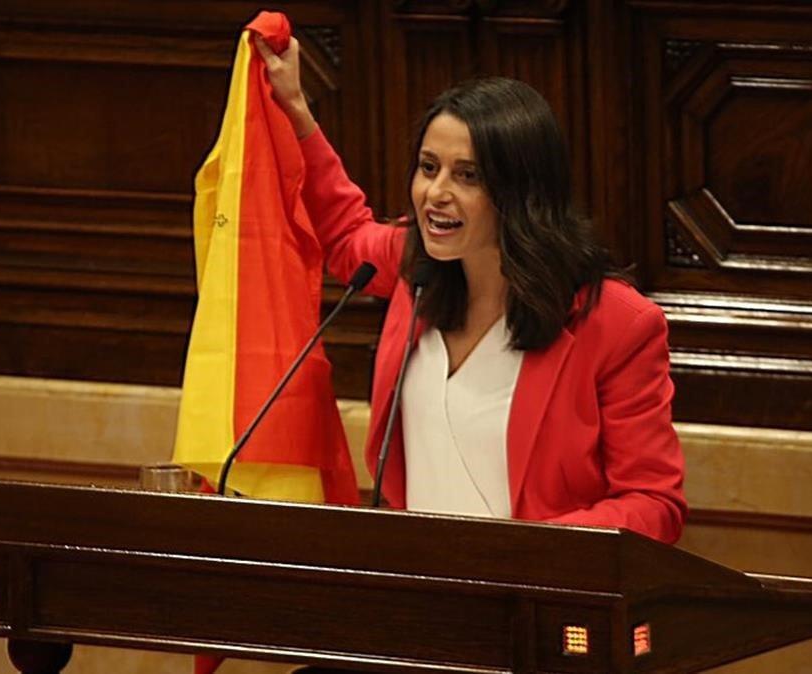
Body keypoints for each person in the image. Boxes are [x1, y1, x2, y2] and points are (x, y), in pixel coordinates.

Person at [254, 37, 686, 544]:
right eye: (428, 167)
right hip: (423, 596)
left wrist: (521, 552)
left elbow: (655, 504)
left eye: (468, 176)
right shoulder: (414, 266)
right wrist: (296, 111)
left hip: (538, 603)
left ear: (520, 193)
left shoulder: (613, 322)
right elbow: (347, 234)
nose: (435, 194)